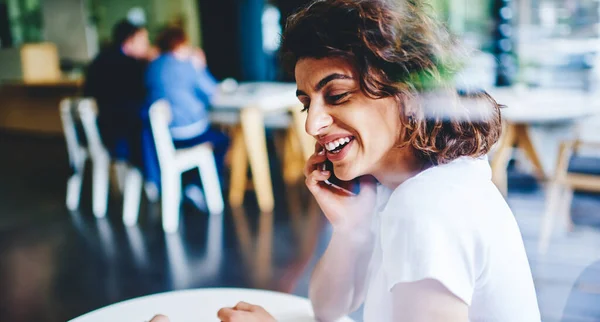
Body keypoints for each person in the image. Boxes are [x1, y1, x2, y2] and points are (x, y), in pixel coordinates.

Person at [151, 0, 541, 321]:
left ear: (407, 93)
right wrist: (351, 228)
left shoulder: (428, 207)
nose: (312, 124)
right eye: (306, 103)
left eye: (336, 95)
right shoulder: (413, 186)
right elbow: (328, 309)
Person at [145, 26, 229, 207]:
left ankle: (189, 184)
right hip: (189, 132)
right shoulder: (188, 65)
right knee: (222, 139)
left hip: (165, 136)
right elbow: (211, 92)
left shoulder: (152, 67)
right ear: (180, 44)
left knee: (209, 135)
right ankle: (198, 185)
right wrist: (201, 66)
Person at [84, 20, 150, 167]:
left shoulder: (98, 61)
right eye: (143, 41)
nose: (147, 46)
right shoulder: (132, 66)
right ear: (129, 42)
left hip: (103, 132)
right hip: (123, 139)